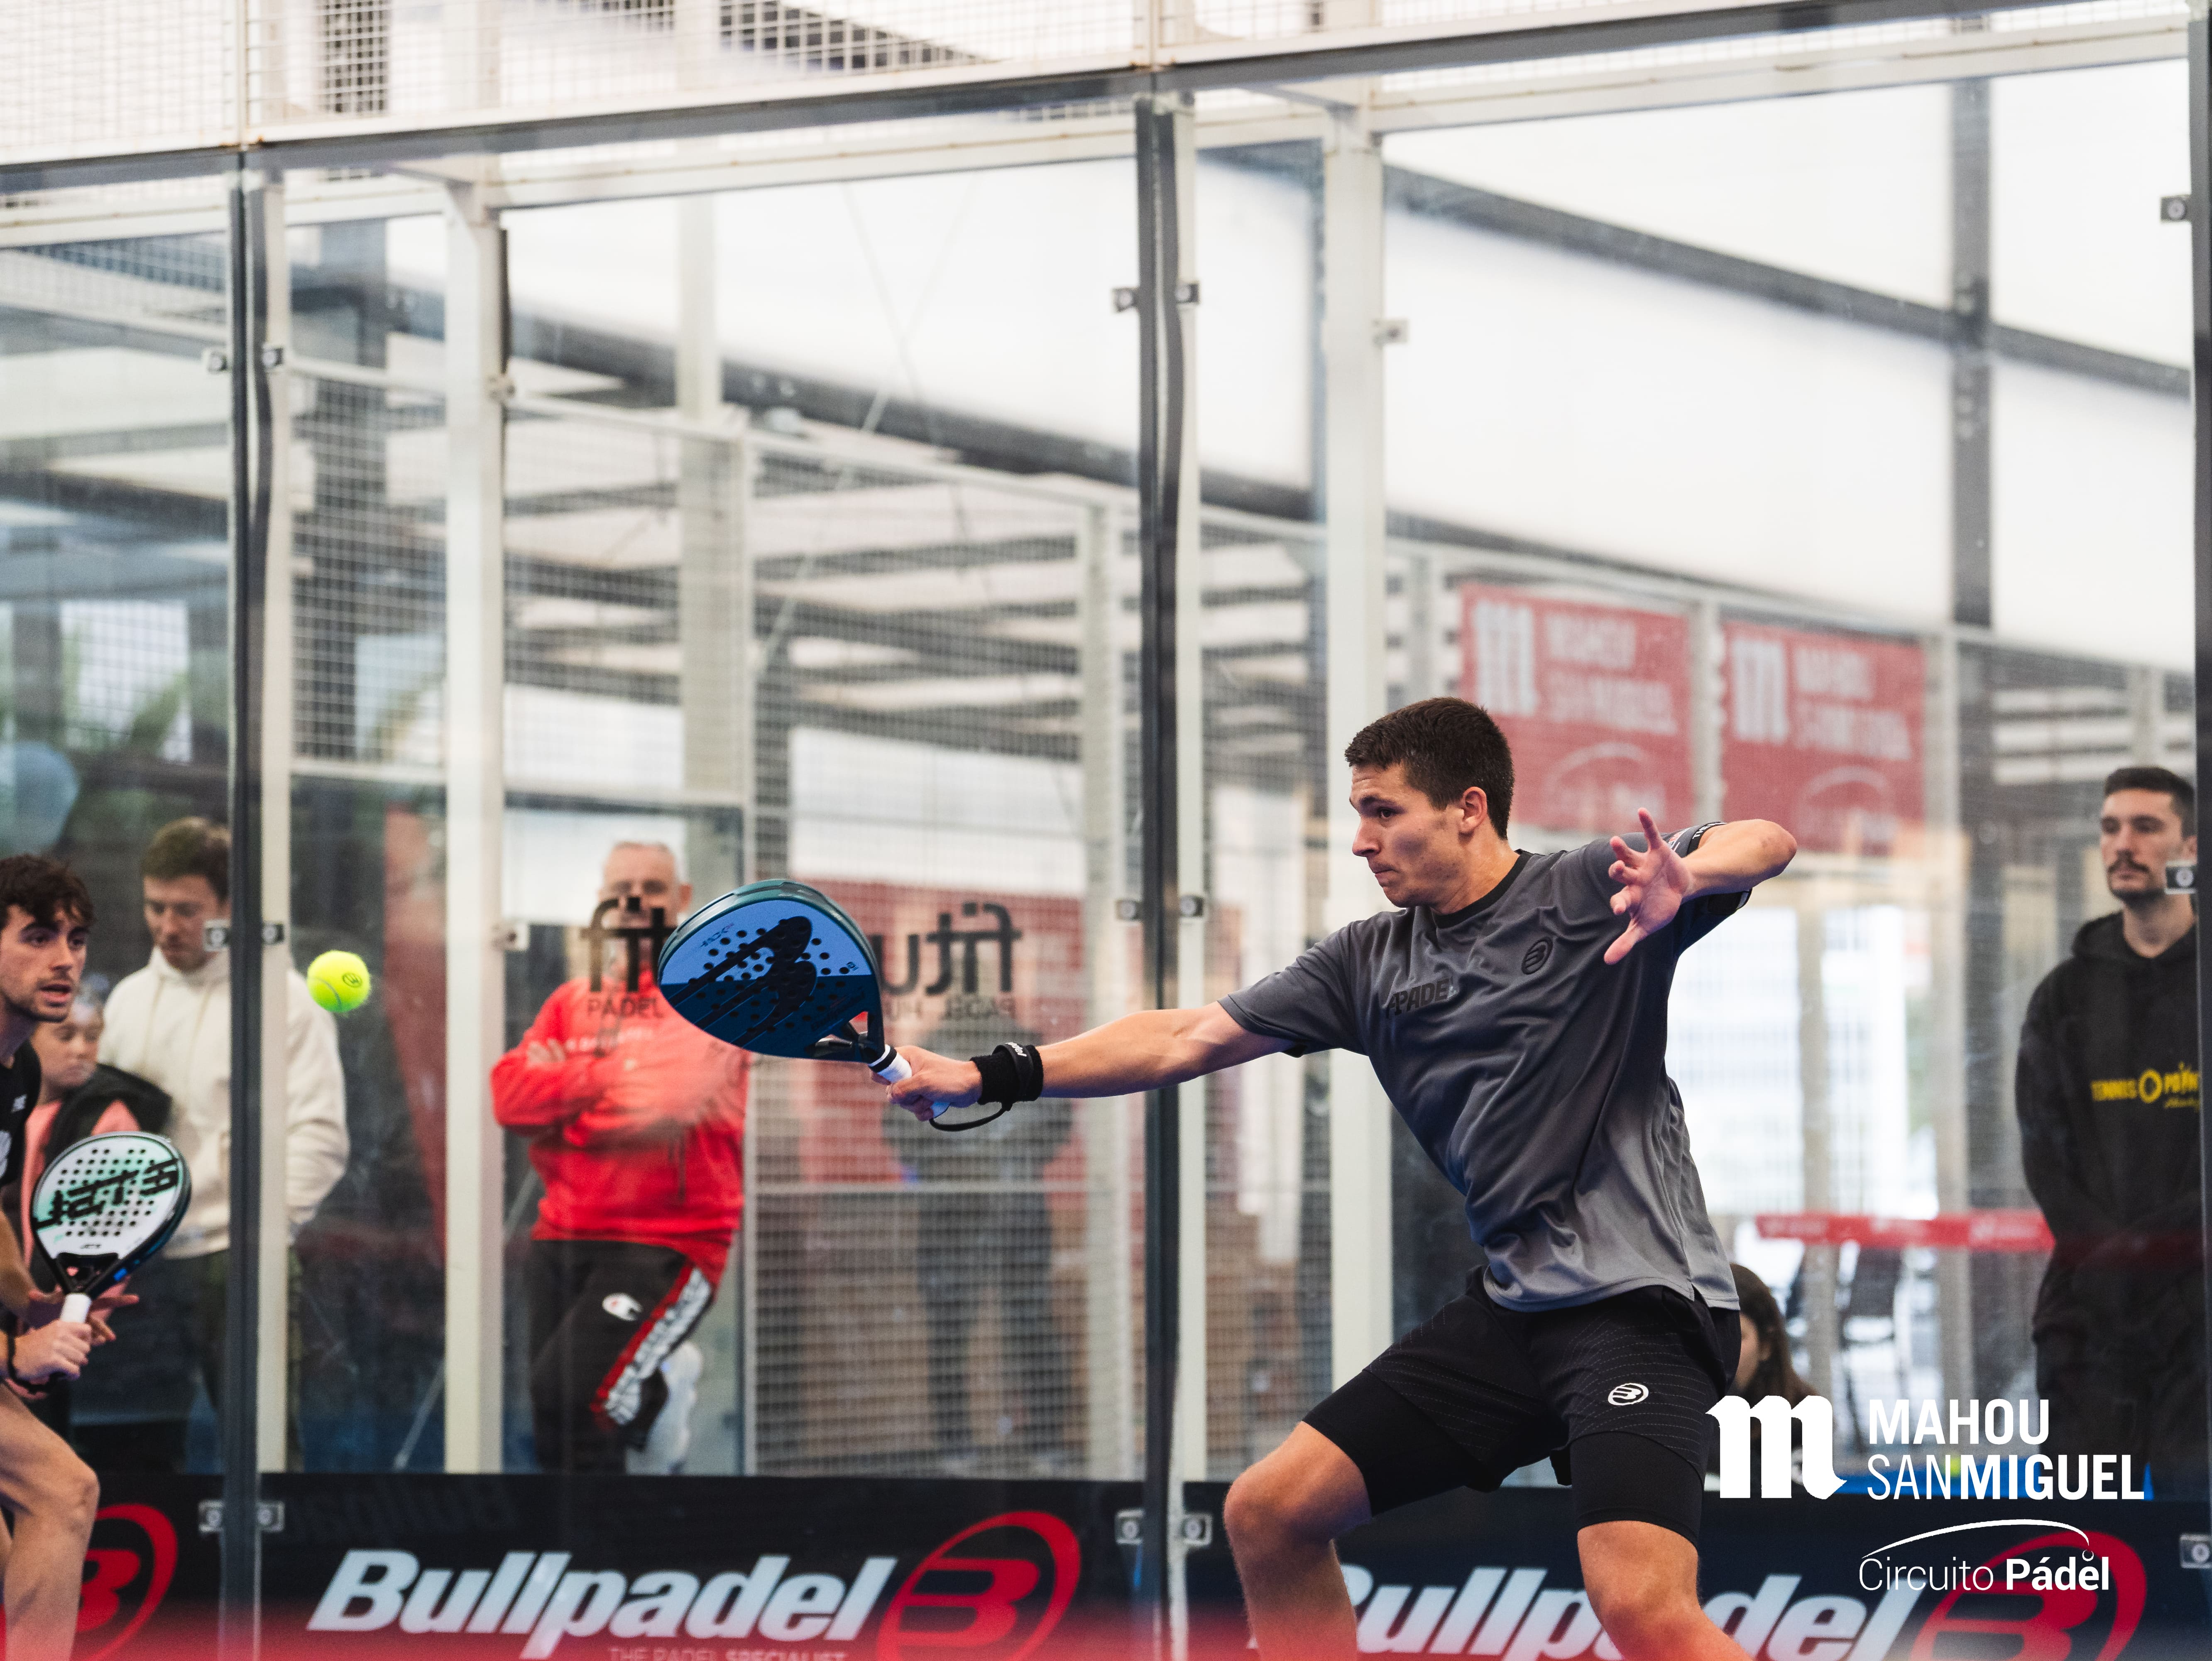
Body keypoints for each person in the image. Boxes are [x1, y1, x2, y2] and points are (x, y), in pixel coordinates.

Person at [890, 697, 1796, 1661]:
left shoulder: (1588, 891)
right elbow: (1182, 1035)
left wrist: (1691, 877)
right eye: (1357, 813)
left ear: (1468, 809)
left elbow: (1767, 838)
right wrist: (987, 1074)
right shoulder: (1367, 962)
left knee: (1642, 1606)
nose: (1361, 840)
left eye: (1383, 811)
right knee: (1270, 1512)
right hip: (1516, 1310)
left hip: (1640, 1304)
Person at [97, 817, 348, 1467]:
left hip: (238, 1256)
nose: (167, 926)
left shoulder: (287, 1001)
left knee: (263, 1456)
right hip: (137, 1261)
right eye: (155, 907)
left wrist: (263, 1235)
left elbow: (320, 1135)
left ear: (230, 908)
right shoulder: (126, 1001)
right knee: (136, 1455)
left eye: (187, 910)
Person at [492, 842, 749, 1474]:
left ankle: (652, 1402)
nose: (634, 902)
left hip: (667, 1242)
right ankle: (590, 1534)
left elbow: (662, 1106)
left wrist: (564, 1104)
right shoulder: (571, 1001)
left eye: (652, 889)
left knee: (576, 1396)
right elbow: (509, 1099)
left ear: (682, 899)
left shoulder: (715, 998)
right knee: (554, 1420)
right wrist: (616, 1075)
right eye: (620, 889)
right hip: (564, 1234)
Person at [2016, 764, 2205, 1497]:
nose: (2122, 844)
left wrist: (2156, 1254)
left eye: (2146, 827)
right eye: (2110, 828)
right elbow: (2044, 1156)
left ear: (2189, 849)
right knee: (2089, 1542)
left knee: (2194, 1539)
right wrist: (2113, 1259)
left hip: (2198, 1316)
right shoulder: (2062, 997)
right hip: (2091, 1315)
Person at [0, 855, 132, 1661]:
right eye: (38, 936)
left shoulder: (18, 1068)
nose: (64, 960)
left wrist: (29, 1301)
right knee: (64, 1488)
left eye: (76, 940)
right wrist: (14, 1352)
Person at [881, 1012, 1072, 1473]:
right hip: (962, 1207)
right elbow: (900, 1126)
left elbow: (1056, 1118)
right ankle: (963, 1447)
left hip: (1004, 1204)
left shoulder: (1019, 1045)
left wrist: (989, 1165)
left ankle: (1038, 1443)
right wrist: (958, 1169)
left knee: (1024, 1324)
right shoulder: (944, 1046)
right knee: (954, 1329)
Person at [10, 993, 180, 1469]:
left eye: (93, 1036)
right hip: (19, 1332)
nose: (82, 1049)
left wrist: (61, 1325)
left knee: (66, 1476)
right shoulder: (12, 1108)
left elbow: (112, 1241)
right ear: (27, 1041)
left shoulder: (111, 1120)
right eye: (66, 1035)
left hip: (86, 1343)